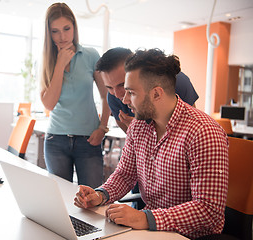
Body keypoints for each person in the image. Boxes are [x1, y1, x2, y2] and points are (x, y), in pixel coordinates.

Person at [74, 48, 229, 239]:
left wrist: (145, 218)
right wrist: (100, 195)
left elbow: (208, 210)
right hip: (150, 229)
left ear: (156, 94)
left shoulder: (203, 132)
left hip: (190, 235)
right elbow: (125, 174)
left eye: (131, 92)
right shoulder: (138, 127)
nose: (123, 99)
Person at [40, 3, 110, 188]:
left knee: (92, 201)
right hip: (56, 141)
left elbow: (106, 95)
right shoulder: (46, 60)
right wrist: (60, 64)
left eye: (66, 29)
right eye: (55, 31)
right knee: (61, 202)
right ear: (49, 33)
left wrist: (102, 127)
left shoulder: (91, 55)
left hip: (89, 140)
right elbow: (49, 104)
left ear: (74, 27)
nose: (62, 36)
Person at [96, 47, 199, 133]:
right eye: (109, 87)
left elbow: (192, 123)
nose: (118, 95)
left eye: (122, 85)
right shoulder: (113, 97)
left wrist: (145, 128)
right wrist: (136, 129)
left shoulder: (177, 81)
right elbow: (132, 142)